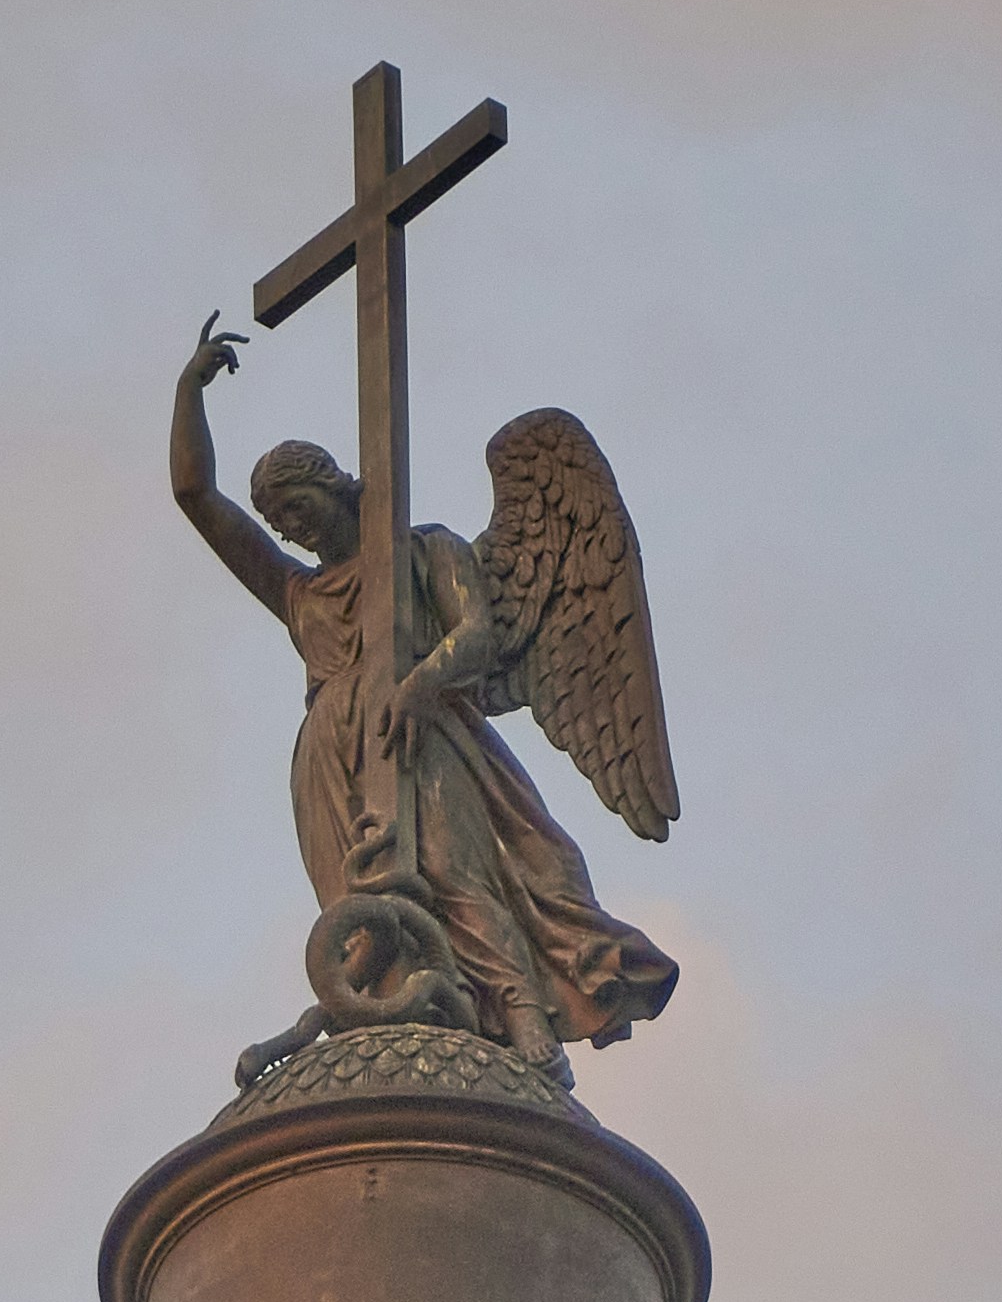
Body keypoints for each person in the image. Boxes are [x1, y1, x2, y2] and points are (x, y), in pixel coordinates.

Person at [169, 317, 678, 1073]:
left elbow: (477, 634)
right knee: (360, 902)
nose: (291, 530)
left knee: (453, 873)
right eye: (279, 522)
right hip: (330, 754)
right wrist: (189, 391)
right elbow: (196, 496)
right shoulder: (299, 593)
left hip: (426, 729)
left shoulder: (426, 550)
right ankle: (382, 1014)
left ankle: (523, 1017)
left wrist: (419, 683)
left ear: (333, 485)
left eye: (298, 508)